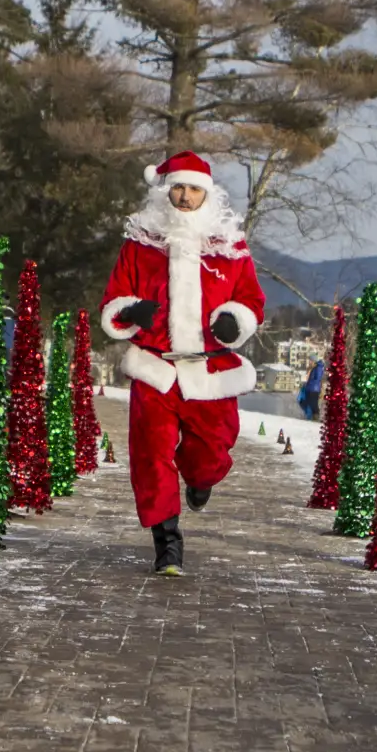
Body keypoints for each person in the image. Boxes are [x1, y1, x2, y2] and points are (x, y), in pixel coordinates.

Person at [100, 151, 265, 576]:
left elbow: (251, 300)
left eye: (193, 189)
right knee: (151, 456)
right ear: (165, 190)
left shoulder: (229, 246)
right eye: (178, 188)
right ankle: (167, 545)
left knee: (212, 451)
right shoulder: (140, 244)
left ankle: (200, 479)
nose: (185, 197)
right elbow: (114, 300)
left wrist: (235, 321)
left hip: (209, 371)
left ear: (207, 194)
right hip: (155, 369)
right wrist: (131, 311)